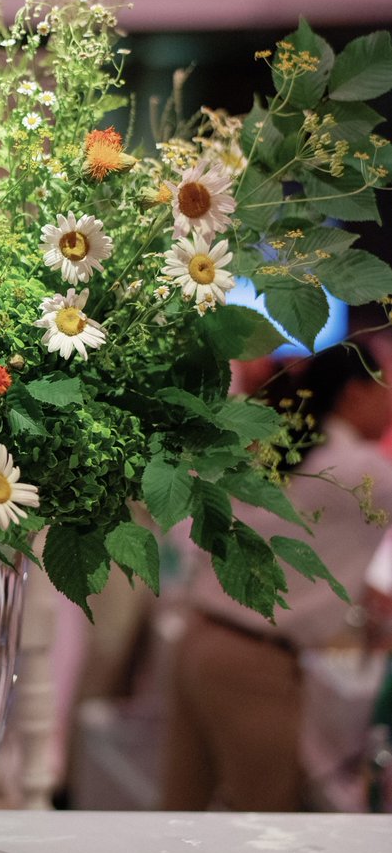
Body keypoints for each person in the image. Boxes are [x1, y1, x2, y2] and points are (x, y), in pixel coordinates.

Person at [159, 342, 392, 812]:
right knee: (269, 822)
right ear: (356, 393)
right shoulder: (361, 471)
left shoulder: (280, 446)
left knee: (180, 812)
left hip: (202, 636)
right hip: (253, 661)